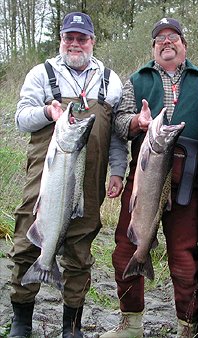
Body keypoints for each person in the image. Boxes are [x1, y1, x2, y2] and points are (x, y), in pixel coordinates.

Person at [8, 11, 126, 338]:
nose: (75, 43)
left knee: (80, 251)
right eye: (68, 37)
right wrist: (47, 112)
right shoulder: (41, 73)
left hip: (89, 185)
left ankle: (71, 325)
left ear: (92, 41)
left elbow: (116, 134)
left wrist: (118, 169)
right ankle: (21, 318)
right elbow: (21, 119)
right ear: (61, 39)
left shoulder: (110, 80)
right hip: (44, 181)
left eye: (81, 38)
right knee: (26, 243)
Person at [99, 18, 198, 338]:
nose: (166, 42)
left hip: (189, 178)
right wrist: (136, 122)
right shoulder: (137, 79)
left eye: (173, 37)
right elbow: (119, 123)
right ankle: (131, 324)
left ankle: (187, 327)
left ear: (184, 44)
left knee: (185, 255)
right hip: (145, 173)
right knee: (125, 248)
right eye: (159, 39)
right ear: (153, 47)